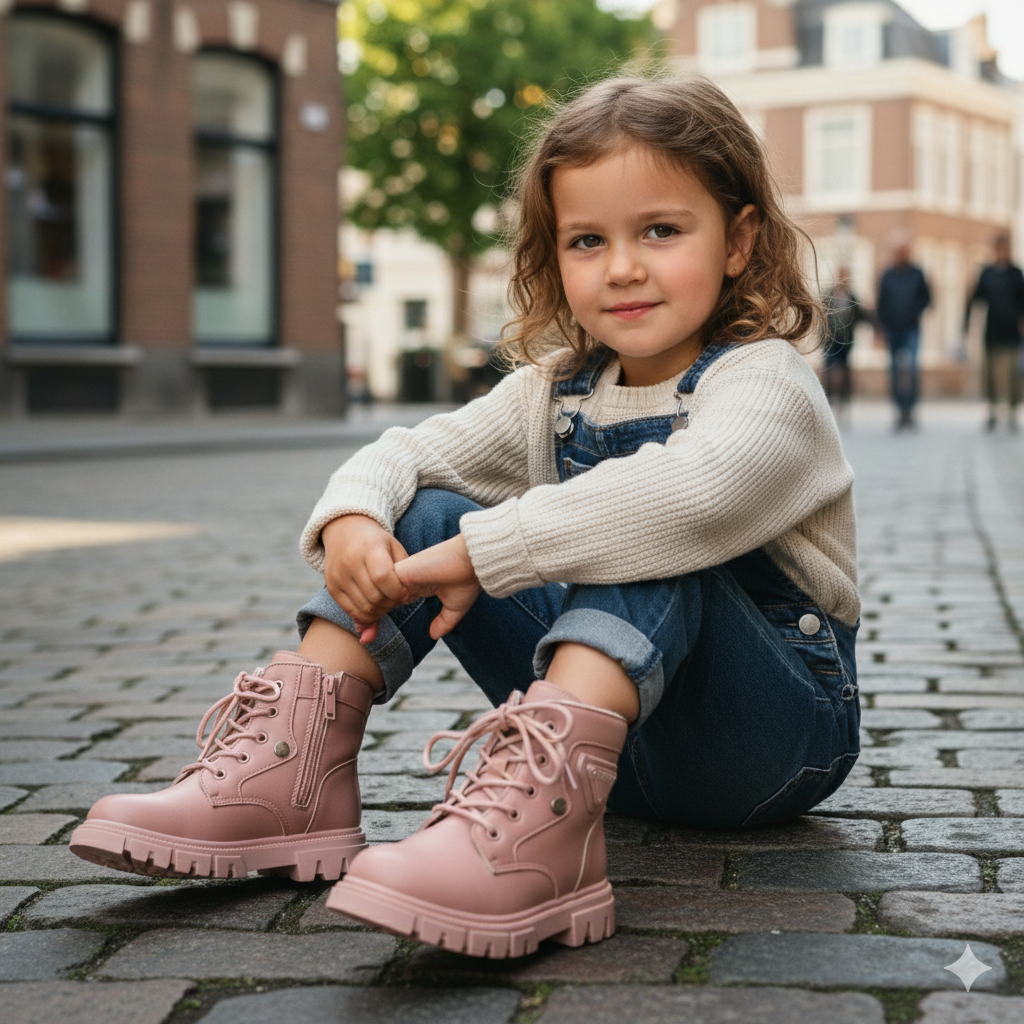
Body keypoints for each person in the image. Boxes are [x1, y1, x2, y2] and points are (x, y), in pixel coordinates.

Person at [69, 76, 860, 960]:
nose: (623, 267)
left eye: (662, 232)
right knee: (428, 505)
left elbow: (696, 493)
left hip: (765, 748)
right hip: (611, 763)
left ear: (739, 240)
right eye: (588, 240)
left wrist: (490, 552)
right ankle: (292, 772)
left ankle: (534, 854)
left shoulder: (765, 381)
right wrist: (354, 522)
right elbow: (405, 452)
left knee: (643, 522)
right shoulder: (556, 392)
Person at [964, 234, 1024, 431]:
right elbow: (975, 299)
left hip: (1011, 331)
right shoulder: (987, 273)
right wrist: (966, 323)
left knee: (1010, 375)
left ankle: (1013, 411)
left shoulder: (1016, 274)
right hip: (991, 330)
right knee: (989, 374)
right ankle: (992, 411)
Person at [876, 238, 931, 430]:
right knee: (894, 371)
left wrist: (914, 311)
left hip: (911, 329)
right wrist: (881, 327)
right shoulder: (887, 275)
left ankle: (910, 409)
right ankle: (899, 410)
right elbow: (880, 304)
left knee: (912, 368)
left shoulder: (918, 274)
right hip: (892, 329)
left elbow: (927, 299)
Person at [820, 266, 871, 421]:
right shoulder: (828, 296)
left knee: (846, 375)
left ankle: (844, 406)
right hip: (830, 341)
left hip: (846, 342)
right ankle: (826, 407)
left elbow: (860, 315)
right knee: (828, 374)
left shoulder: (852, 297)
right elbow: (821, 318)